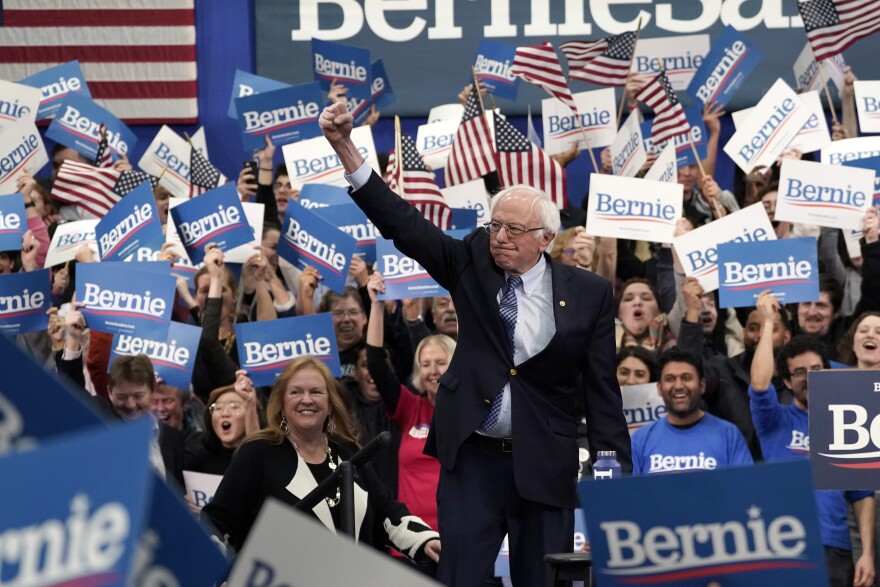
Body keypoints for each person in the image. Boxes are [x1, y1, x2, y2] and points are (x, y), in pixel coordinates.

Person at [319, 101, 630, 587]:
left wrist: (613, 492)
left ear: (547, 237)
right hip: (472, 460)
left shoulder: (589, 295)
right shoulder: (472, 262)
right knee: (461, 578)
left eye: (514, 230)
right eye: (495, 225)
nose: (499, 237)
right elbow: (405, 224)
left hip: (545, 463)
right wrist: (345, 148)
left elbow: (603, 397)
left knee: (545, 580)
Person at [201, 357, 441, 563]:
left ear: (329, 403)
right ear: (282, 403)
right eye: (296, 392)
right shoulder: (258, 452)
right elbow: (217, 522)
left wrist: (425, 540)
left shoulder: (347, 451)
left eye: (316, 392)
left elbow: (385, 511)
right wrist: (217, 573)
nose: (307, 399)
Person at [750, 291, 875, 587]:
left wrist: (868, 553)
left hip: (835, 547)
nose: (808, 377)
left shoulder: (843, 424)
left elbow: (862, 495)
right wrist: (769, 322)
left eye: (816, 370)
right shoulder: (774, 420)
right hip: (781, 545)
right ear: (787, 382)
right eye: (799, 372)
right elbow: (758, 383)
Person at [367, 271, 454, 538]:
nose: (432, 371)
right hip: (412, 540)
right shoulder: (410, 409)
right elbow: (376, 364)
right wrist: (377, 304)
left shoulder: (475, 412)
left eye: (441, 363)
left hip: (460, 539)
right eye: (425, 364)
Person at [631, 348, 753, 475]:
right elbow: (630, 493)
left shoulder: (729, 435)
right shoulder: (640, 440)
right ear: (660, 388)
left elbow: (743, 489)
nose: (678, 386)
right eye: (670, 379)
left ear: (702, 386)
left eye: (686, 378)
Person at [185, 372, 261, 475]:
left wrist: (250, 402)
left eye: (234, 407)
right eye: (218, 408)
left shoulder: (270, 454)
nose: (225, 413)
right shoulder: (198, 457)